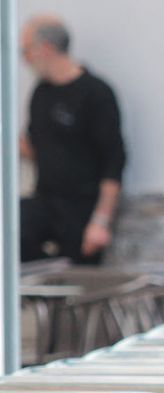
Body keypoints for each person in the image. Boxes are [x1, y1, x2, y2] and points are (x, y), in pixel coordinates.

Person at [18, 15, 126, 265]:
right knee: (12, 227)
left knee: (79, 285)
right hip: (46, 201)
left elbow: (114, 162)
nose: (24, 60)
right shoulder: (41, 93)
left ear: (44, 48)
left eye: (26, 51)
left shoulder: (96, 93)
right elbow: (38, 150)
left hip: (82, 208)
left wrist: (100, 221)